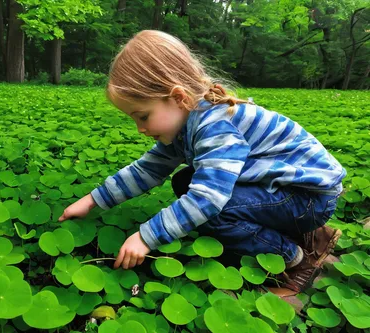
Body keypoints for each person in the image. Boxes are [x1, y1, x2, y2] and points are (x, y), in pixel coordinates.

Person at [58, 30, 346, 293]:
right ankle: (304, 231)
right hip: (286, 189)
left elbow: (208, 199)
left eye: (143, 115)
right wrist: (93, 200)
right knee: (185, 180)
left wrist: (146, 238)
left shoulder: (215, 125)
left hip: (308, 198)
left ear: (177, 97)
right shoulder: (185, 122)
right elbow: (147, 169)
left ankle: (295, 259)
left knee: (212, 210)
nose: (140, 129)